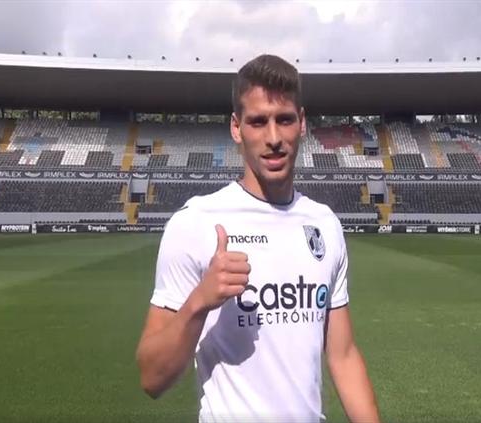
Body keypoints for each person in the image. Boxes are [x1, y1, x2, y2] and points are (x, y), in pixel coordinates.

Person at [136, 54, 380, 423]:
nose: (273, 138)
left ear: (302, 123)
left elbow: (343, 356)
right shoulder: (196, 223)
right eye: (258, 121)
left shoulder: (324, 224)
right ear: (237, 128)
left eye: (284, 119)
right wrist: (200, 301)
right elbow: (151, 378)